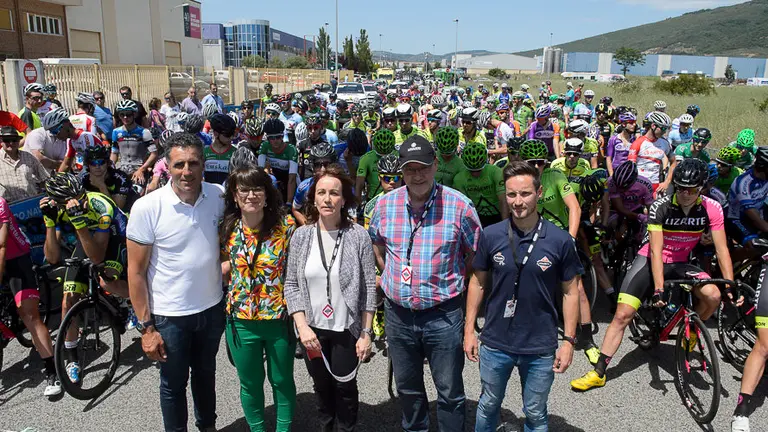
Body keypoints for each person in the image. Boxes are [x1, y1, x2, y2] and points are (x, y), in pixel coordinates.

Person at [570, 158, 734, 392]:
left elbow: (722, 248)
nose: (686, 193)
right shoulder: (662, 206)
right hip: (649, 260)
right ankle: (599, 372)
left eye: (692, 189)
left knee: (713, 295)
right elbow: (656, 251)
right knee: (622, 315)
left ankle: (692, 331)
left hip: (680, 263)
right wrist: (659, 288)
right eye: (681, 188)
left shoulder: (712, 207)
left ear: (702, 188)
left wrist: (729, 284)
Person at [368, 135, 482, 432]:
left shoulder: (460, 206)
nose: (417, 175)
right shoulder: (385, 205)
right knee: (408, 389)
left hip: (442, 315)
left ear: (435, 165)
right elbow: (377, 246)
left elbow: (476, 255)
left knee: (450, 391)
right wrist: (391, 273)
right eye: (410, 169)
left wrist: (453, 277)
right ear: (401, 171)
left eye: (423, 168)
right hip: (399, 315)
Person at [465, 161, 581, 432]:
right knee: (489, 404)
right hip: (495, 342)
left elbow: (570, 292)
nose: (518, 202)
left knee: (535, 412)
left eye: (525, 194)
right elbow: (477, 283)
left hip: (539, 345)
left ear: (539, 193)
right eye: (511, 194)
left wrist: (569, 341)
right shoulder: (491, 235)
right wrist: (469, 330)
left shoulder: (560, 240)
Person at [127, 132, 226, 432]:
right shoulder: (147, 207)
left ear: (203, 164)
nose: (187, 171)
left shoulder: (218, 196)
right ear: (167, 166)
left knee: (206, 375)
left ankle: (207, 426)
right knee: (173, 384)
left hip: (211, 310)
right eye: (179, 164)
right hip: (170, 317)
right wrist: (146, 328)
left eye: (193, 163)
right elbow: (135, 272)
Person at [285, 165, 377, 432]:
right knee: (322, 387)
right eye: (322, 192)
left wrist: (366, 332)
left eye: (334, 193)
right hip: (313, 329)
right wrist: (302, 327)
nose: (327, 199)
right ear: (313, 198)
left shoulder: (358, 236)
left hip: (346, 328)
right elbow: (291, 285)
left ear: (343, 199)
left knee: (345, 388)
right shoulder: (301, 236)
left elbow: (369, 287)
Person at [219, 165, 297, 432]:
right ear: (235, 194)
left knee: (282, 380)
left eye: (258, 189)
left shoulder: (285, 227)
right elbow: (219, 264)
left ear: (267, 194)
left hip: (278, 318)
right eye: (244, 189)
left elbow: (297, 271)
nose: (251, 195)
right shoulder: (227, 228)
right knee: (250, 383)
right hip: (241, 321)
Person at [41, 172, 131, 384]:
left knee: (105, 278)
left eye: (81, 197)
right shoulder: (58, 209)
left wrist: (79, 223)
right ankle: (72, 359)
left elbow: (98, 255)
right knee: (68, 298)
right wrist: (50, 223)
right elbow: (52, 257)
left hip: (116, 235)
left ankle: (136, 302)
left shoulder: (101, 205)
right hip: (87, 235)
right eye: (70, 201)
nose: (78, 202)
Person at [0, 195, 61, 396]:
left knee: (29, 316)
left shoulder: (0, 203)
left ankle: (53, 372)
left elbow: (2, 246)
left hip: (15, 259)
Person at [453, 141, 508, 227]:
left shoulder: (495, 171)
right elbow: (463, 206)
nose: (475, 174)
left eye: (479, 170)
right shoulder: (458, 179)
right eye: (471, 171)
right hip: (476, 216)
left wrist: (506, 225)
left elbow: (503, 201)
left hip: (498, 214)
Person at [111, 100, 158, 188]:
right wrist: (111, 168)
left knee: (137, 195)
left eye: (128, 114)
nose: (125, 117)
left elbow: (154, 154)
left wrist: (142, 169)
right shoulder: (116, 132)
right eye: (122, 114)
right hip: (123, 170)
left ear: (134, 114)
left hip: (139, 169)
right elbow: (114, 153)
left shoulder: (144, 132)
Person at [627, 111, 673, 195]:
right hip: (638, 184)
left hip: (655, 186)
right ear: (653, 126)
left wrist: (667, 182)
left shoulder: (665, 143)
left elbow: (674, 162)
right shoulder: (638, 143)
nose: (664, 132)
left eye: (666, 129)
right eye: (662, 128)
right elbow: (630, 167)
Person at [0, 126, 49, 203]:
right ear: (1, 141)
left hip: (32, 205)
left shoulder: (29, 157)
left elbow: (45, 179)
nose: (11, 143)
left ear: (19, 141)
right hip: (8, 208)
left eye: (14, 140)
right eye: (7, 140)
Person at [78, 144, 132, 211]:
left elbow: (117, 210)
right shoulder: (84, 179)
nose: (97, 166)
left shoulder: (120, 178)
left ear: (107, 163)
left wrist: (101, 186)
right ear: (88, 165)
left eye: (101, 162)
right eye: (93, 163)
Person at [257, 119, 299, 205]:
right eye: (271, 138)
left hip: (289, 180)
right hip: (275, 180)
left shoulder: (291, 149)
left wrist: (289, 202)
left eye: (278, 137)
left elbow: (292, 178)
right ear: (267, 138)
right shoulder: (265, 146)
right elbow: (260, 173)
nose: (275, 140)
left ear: (283, 136)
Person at [355, 129, 396, 205]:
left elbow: (359, 183)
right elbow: (360, 182)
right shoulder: (366, 158)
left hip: (393, 195)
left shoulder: (366, 158)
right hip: (374, 198)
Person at [362, 154, 402, 228]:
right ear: (379, 178)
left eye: (396, 178)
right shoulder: (371, 207)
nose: (392, 182)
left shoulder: (414, 200)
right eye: (387, 178)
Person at [203, 113, 237, 185]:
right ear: (216, 134)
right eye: (227, 134)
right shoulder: (205, 152)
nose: (231, 138)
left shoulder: (235, 153)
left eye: (232, 134)